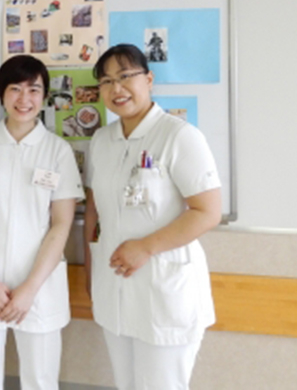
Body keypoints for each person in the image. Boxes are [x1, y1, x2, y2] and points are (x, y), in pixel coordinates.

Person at [83, 44, 221, 390]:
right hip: (114, 285)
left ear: (148, 79)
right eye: (106, 81)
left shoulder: (179, 136)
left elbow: (208, 212)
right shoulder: (101, 140)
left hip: (164, 290)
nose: (116, 89)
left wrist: (146, 247)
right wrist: (91, 268)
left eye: (125, 77)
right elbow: (95, 211)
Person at [0, 55, 82, 390]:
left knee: (41, 380)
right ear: (1, 94)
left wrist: (29, 289)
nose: (24, 99)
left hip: (38, 285)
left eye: (33, 90)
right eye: (15, 89)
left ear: (45, 95)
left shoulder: (58, 151)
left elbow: (61, 224)